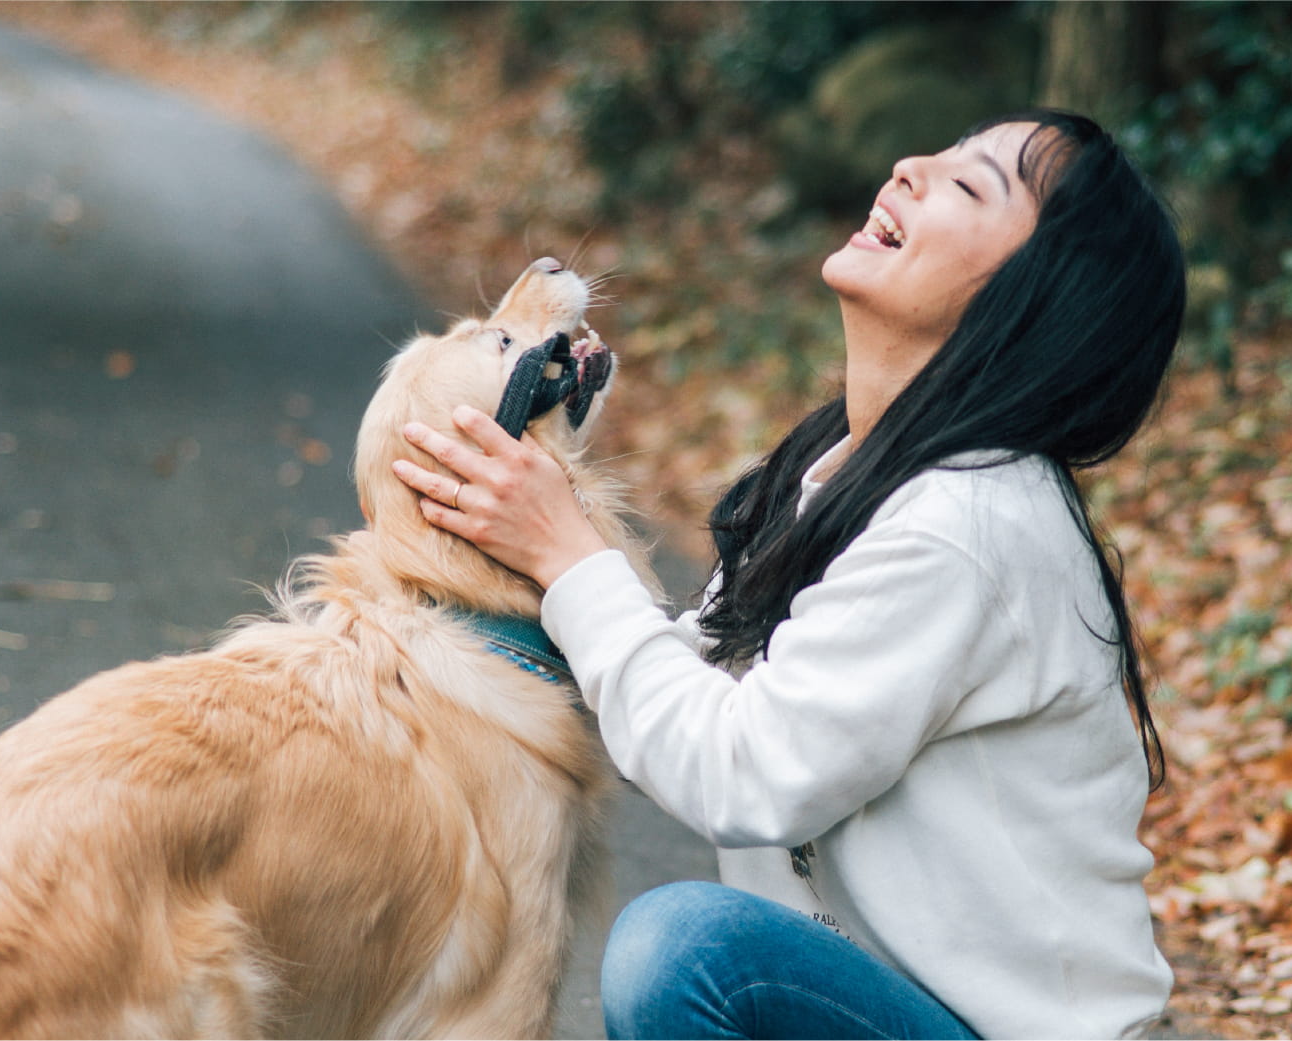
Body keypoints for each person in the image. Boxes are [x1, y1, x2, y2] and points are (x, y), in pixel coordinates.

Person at [391, 109, 1183, 1040]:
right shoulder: (848, 474)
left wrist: (570, 557)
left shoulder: (965, 526)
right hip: (900, 1008)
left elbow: (737, 771)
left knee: (688, 950)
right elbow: (679, 698)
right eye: (940, 149)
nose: (908, 164)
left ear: (1030, 302)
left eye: (970, 185)